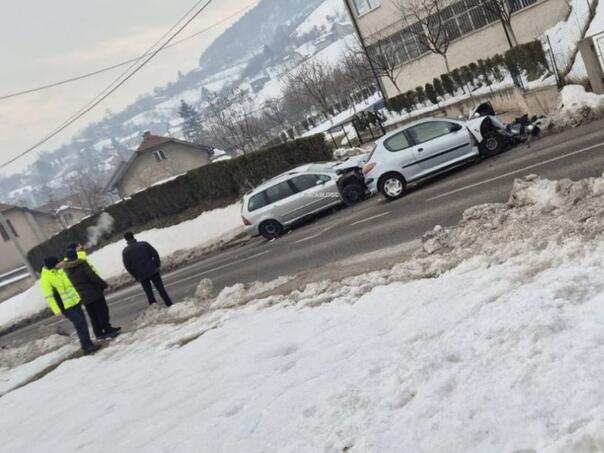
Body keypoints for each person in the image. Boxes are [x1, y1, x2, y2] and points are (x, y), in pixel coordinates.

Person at [40, 256, 100, 355]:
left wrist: (78, 298)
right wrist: (57, 311)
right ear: (52, 265)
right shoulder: (46, 278)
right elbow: (49, 296)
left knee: (83, 323)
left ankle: (88, 344)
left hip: (75, 301)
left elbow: (70, 286)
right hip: (65, 306)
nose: (59, 264)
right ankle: (86, 346)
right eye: (57, 263)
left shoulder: (59, 271)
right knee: (80, 323)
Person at [61, 248, 120, 340]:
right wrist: (104, 286)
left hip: (83, 295)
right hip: (94, 292)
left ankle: (98, 333)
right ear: (76, 255)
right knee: (102, 311)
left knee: (93, 315)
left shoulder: (66, 269)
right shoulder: (81, 264)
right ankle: (107, 329)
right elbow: (92, 276)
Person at [122, 232, 173, 307]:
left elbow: (127, 266)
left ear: (126, 239)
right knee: (161, 289)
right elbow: (155, 254)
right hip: (153, 270)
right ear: (133, 236)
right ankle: (169, 304)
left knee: (149, 293)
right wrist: (156, 265)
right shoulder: (144, 244)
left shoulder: (125, 251)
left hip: (141, 275)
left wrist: (135, 275)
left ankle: (155, 308)